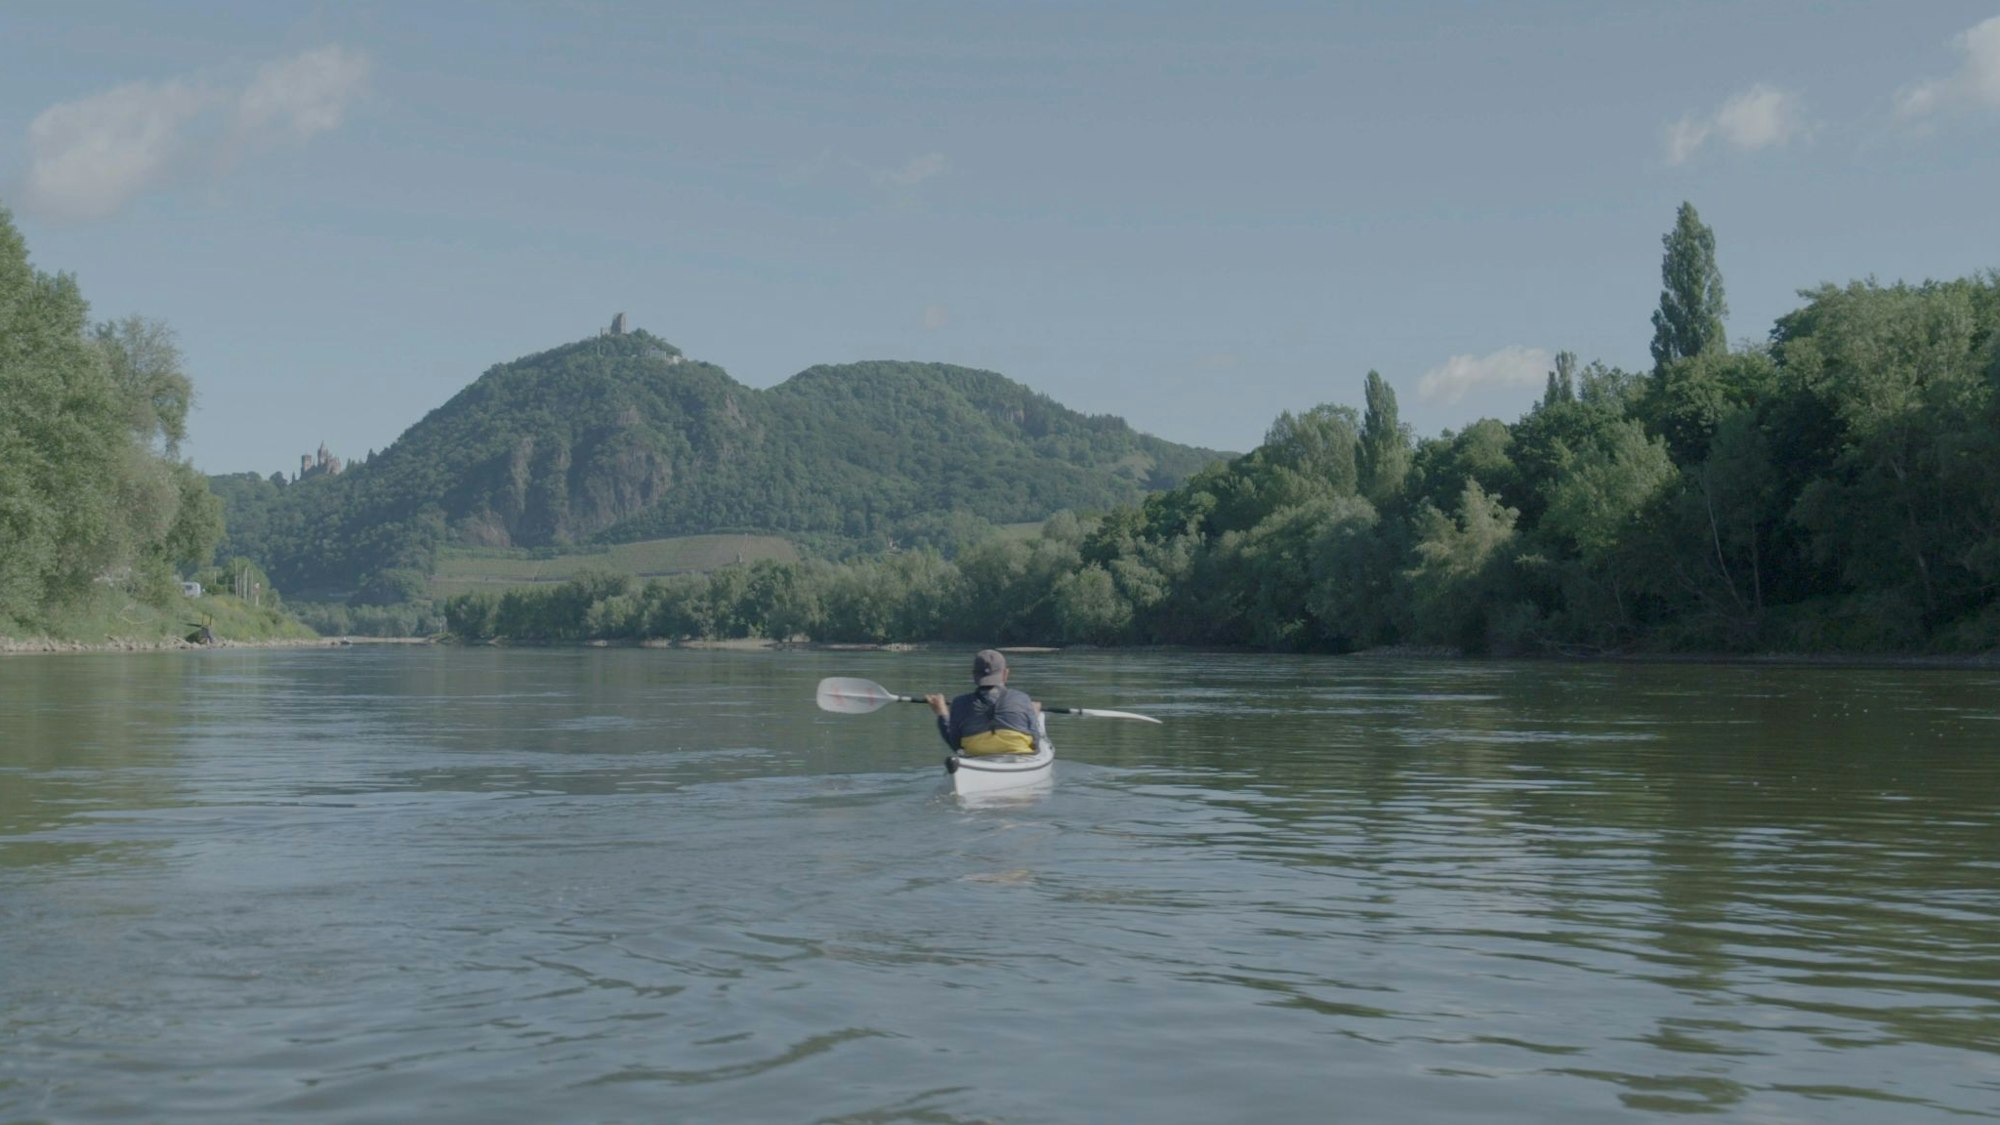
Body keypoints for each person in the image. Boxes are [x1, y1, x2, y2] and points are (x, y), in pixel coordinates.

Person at [927, 649, 1044, 756]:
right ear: (1005, 674)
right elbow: (1036, 742)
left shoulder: (959, 703)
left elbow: (956, 746)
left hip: (976, 759)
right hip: (1020, 758)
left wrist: (942, 713)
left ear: (974, 675)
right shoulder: (1022, 698)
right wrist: (1034, 714)